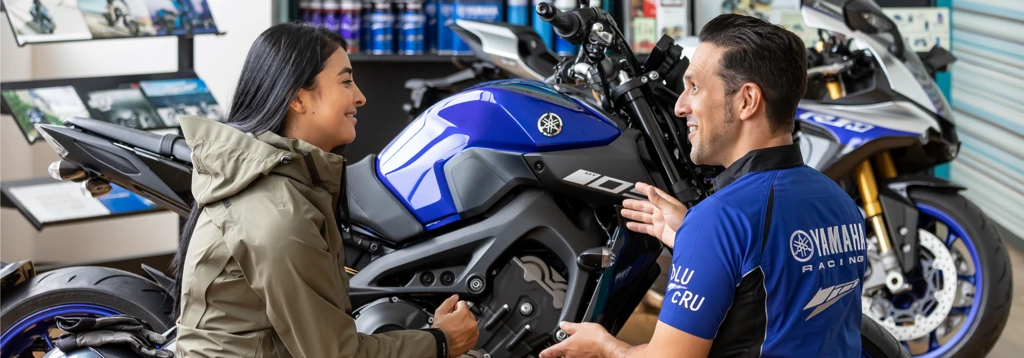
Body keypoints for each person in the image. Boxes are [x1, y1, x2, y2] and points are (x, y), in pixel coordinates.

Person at [540, 14, 868, 358]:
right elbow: (781, 298)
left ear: (746, 101)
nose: (681, 106)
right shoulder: (839, 201)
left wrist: (605, 347)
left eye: (694, 87)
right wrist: (693, 241)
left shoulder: (721, 219)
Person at [171, 23, 479, 358]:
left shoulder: (292, 183)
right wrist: (440, 342)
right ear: (298, 98)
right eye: (346, 82)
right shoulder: (277, 210)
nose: (360, 96)